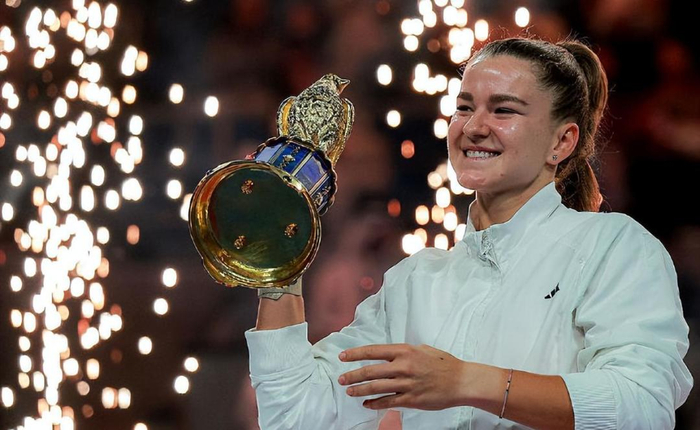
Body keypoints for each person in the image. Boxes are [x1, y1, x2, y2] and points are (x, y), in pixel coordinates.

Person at [244, 37, 693, 429]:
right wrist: (278, 264)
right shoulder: (416, 282)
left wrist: (466, 381)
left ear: (562, 141)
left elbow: (642, 404)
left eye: (503, 110)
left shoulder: (613, 246)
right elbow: (296, 414)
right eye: (464, 107)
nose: (474, 127)